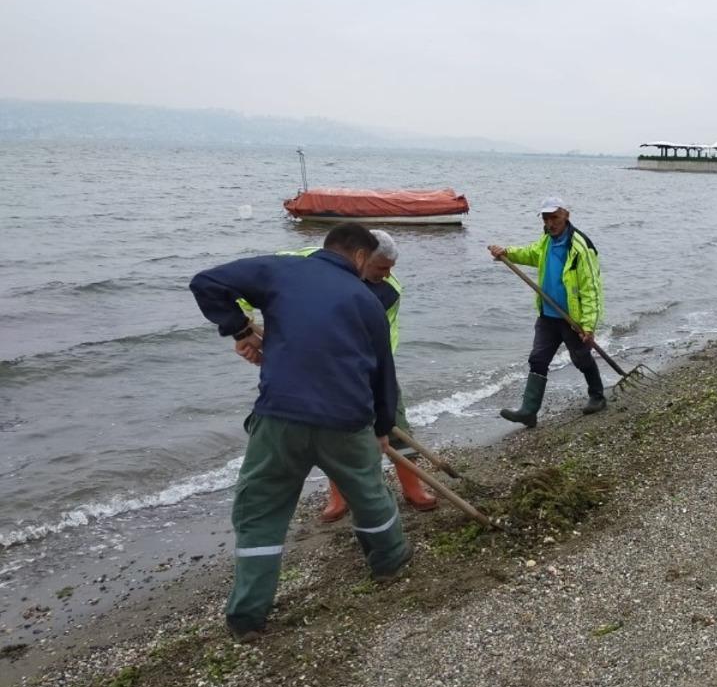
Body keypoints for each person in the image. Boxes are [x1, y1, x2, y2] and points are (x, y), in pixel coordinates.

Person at [190, 222, 412, 642]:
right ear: (361, 256)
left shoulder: (280, 271)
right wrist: (383, 429)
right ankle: (390, 561)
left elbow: (206, 282)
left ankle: (247, 616)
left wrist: (238, 328)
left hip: (281, 417)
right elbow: (384, 374)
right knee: (369, 495)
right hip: (346, 420)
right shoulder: (367, 302)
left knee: (260, 513)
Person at [236, 231, 438, 521]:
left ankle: (413, 488)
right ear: (360, 257)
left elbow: (384, 341)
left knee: (395, 424)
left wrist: (368, 375)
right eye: (381, 267)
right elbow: (240, 288)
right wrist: (244, 328)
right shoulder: (299, 264)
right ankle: (338, 496)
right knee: (333, 431)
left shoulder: (389, 290)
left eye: (391, 267)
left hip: (363, 368)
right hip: (308, 370)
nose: (387, 274)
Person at [487, 197, 605, 427]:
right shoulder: (546, 241)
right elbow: (531, 254)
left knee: (580, 358)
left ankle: (597, 395)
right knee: (538, 359)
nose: (550, 223)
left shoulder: (581, 247)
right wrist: (507, 252)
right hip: (547, 314)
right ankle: (529, 411)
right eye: (546, 218)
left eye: (554, 218)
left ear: (566, 216)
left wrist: (589, 325)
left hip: (572, 318)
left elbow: (592, 289)